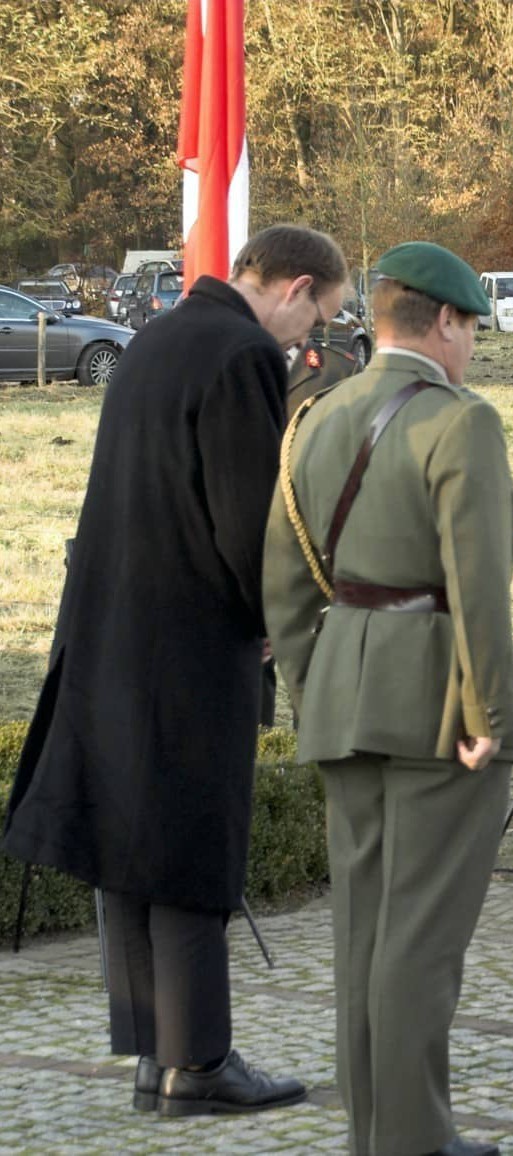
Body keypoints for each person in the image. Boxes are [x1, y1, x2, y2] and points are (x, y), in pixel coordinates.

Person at [2, 224, 349, 1116]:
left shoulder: (156, 336)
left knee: (128, 845)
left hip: (110, 623)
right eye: (321, 314)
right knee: (192, 842)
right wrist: (273, 617)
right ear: (297, 286)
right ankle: (199, 1064)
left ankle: (154, 1060)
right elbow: (248, 517)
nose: (309, 339)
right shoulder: (240, 355)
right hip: (190, 638)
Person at [263, 240, 513, 1156]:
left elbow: (288, 586)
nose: (475, 349)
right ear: (444, 321)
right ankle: (412, 1140)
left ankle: (378, 1132)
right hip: (438, 716)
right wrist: (489, 715)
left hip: (344, 698)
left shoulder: (318, 417)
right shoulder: (462, 423)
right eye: (472, 328)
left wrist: (320, 687)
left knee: (363, 936)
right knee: (420, 939)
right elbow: (477, 586)